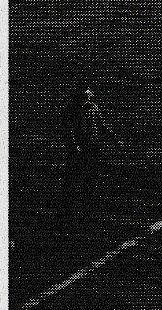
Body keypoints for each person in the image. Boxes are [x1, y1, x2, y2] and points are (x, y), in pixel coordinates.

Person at [56, 85, 123, 228]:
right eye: (83, 96)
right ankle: (66, 210)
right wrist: (75, 145)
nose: (85, 99)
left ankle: (87, 210)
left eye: (87, 96)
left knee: (91, 178)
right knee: (72, 179)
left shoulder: (93, 108)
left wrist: (114, 138)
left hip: (92, 148)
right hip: (78, 150)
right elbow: (68, 130)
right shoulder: (71, 111)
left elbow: (101, 125)